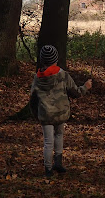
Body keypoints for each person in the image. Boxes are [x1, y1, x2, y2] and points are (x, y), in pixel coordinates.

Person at [30, 45, 92, 177]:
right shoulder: (63, 75)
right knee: (59, 136)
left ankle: (48, 169)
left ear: (42, 60)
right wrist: (85, 87)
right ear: (55, 59)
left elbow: (33, 100)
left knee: (48, 142)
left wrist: (36, 115)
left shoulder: (37, 78)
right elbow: (75, 92)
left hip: (45, 115)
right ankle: (58, 163)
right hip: (61, 113)